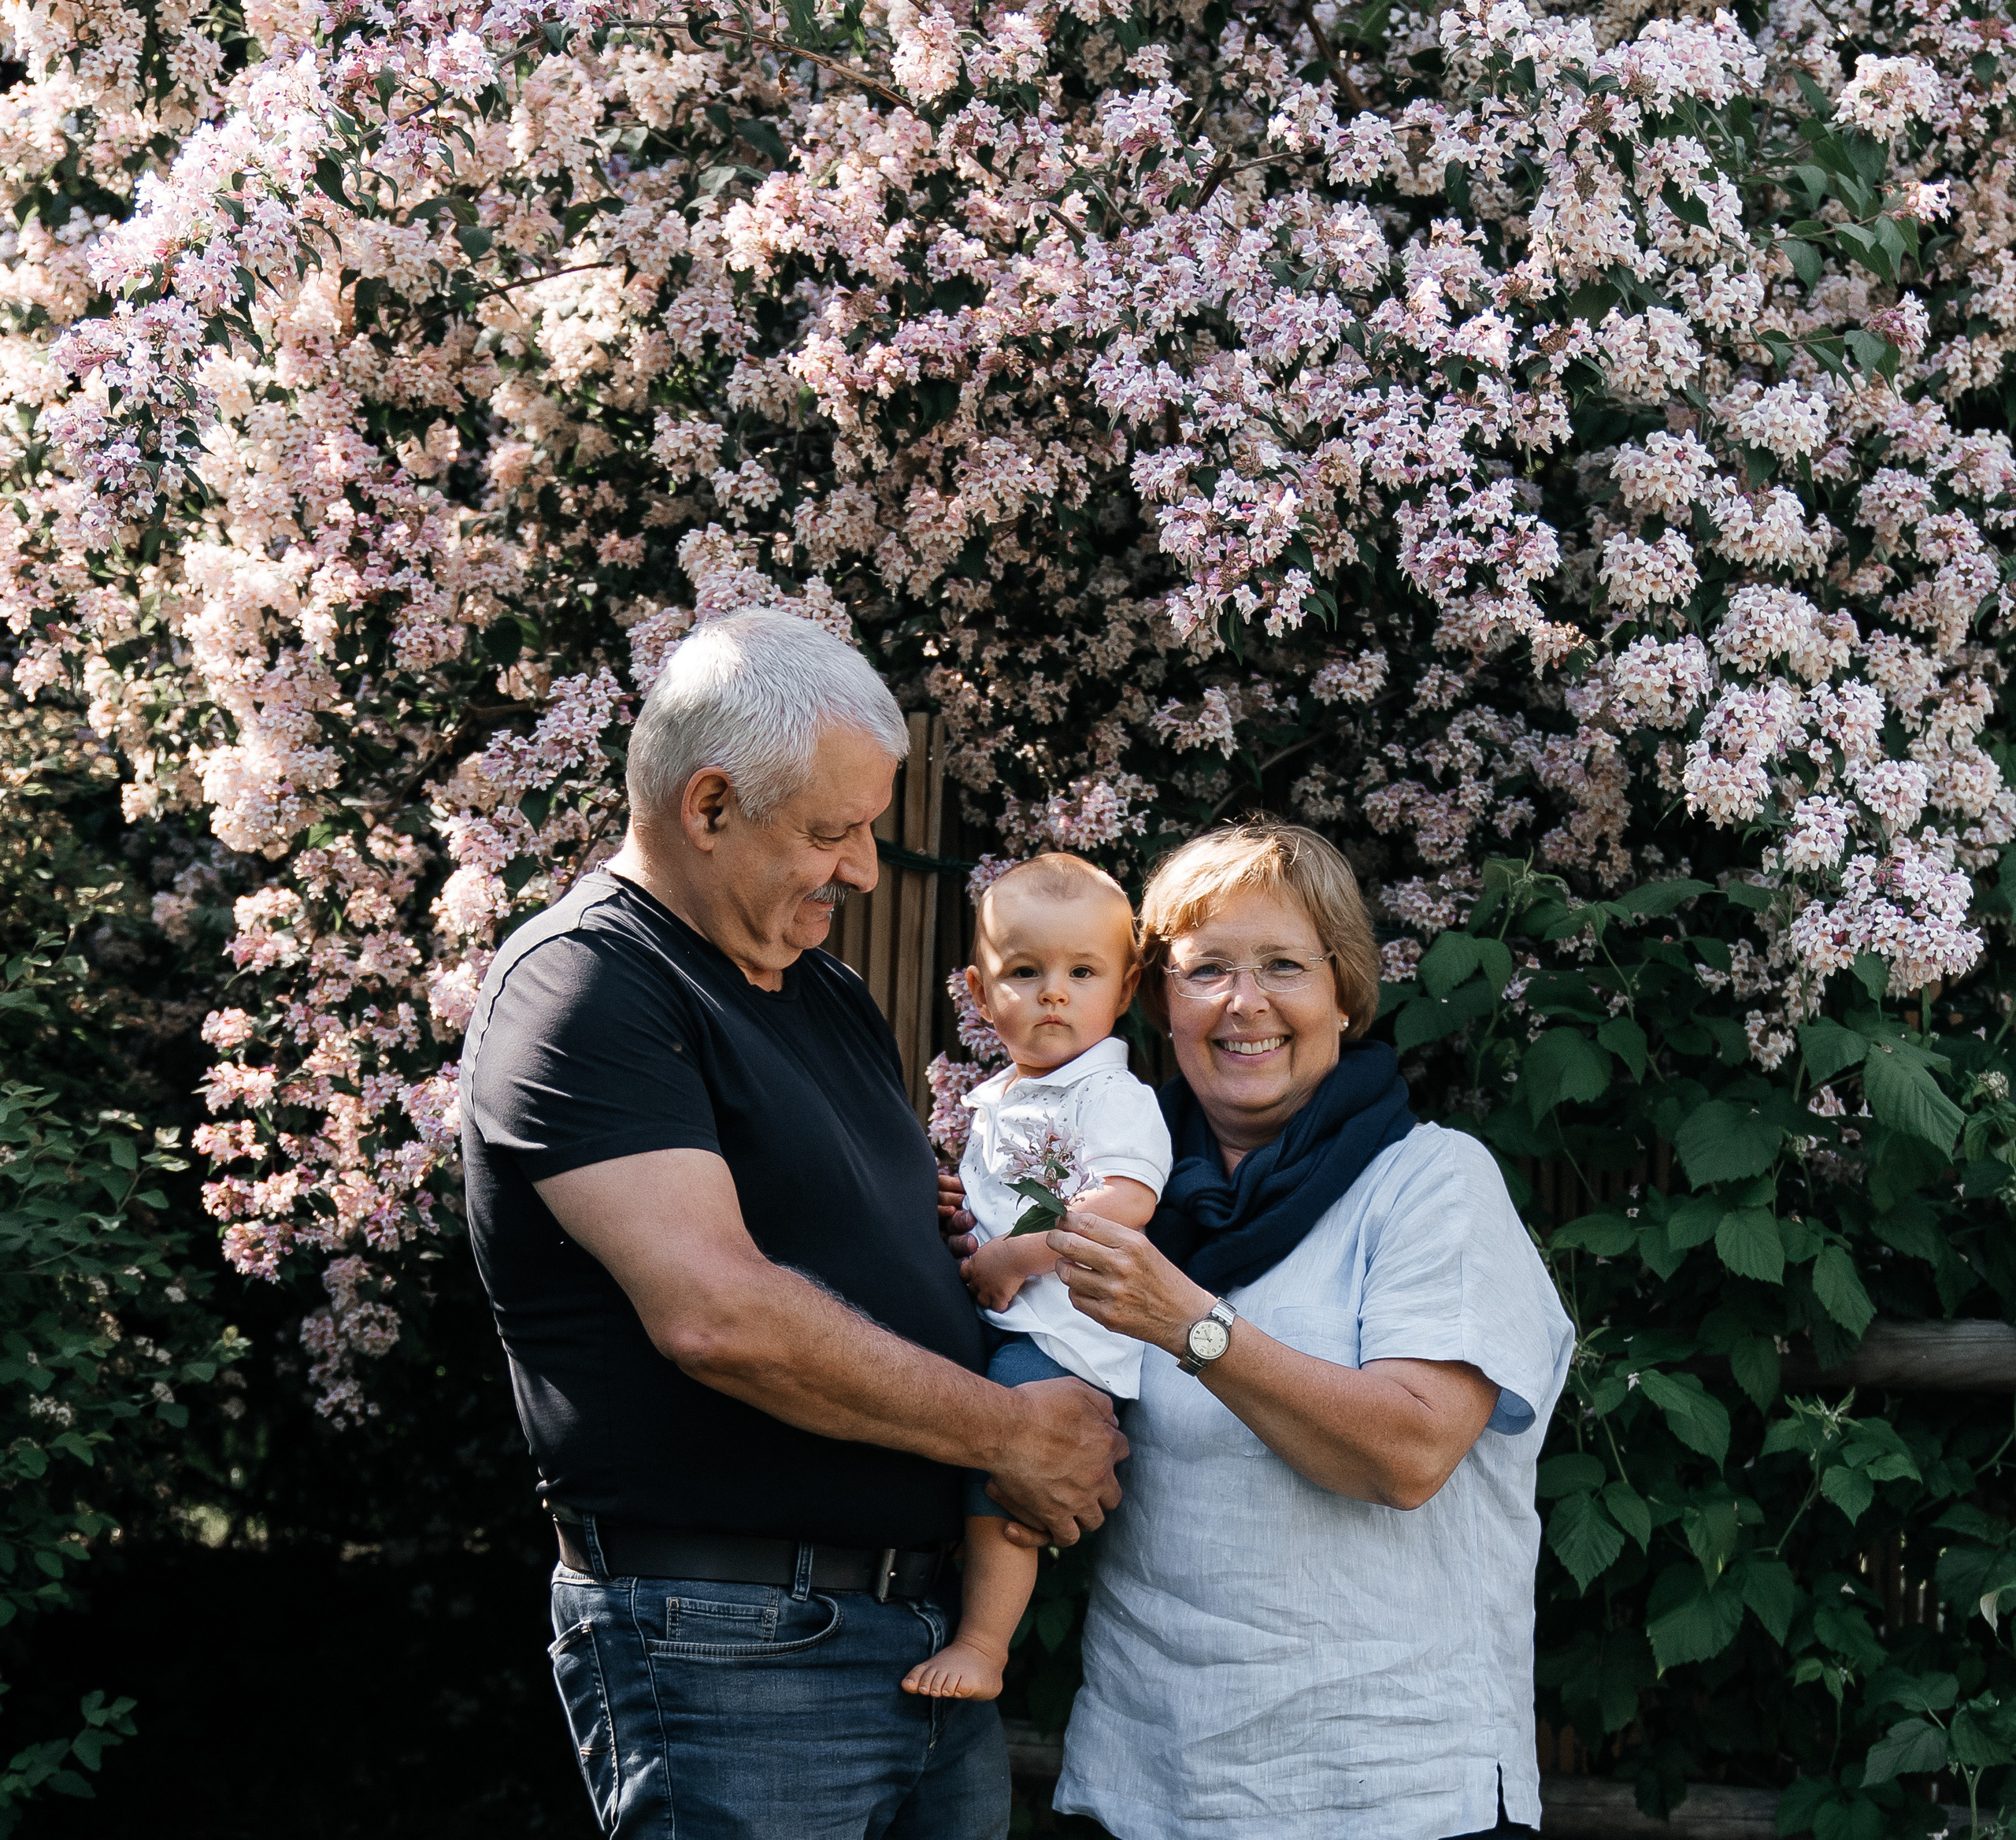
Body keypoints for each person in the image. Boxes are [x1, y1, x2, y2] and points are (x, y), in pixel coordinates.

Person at [459, 608, 1127, 1840]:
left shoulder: (820, 988)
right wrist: (1011, 1434)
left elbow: (859, 1242)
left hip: (923, 1634)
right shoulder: (586, 987)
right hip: (735, 1649)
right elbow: (719, 1315)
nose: (867, 870)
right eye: (834, 831)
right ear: (708, 805)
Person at [947, 818, 1573, 1840]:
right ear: (1158, 1000)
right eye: (1206, 972)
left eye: (1284, 965)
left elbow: (1410, 1453)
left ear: (1345, 991)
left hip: (1385, 1794)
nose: (1246, 1004)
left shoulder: (1430, 1183)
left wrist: (1188, 1323)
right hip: (1147, 1783)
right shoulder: (1117, 1197)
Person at [902, 855, 1172, 1703]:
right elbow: (997, 1201)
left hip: (1062, 1342)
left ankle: (984, 1647)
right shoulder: (1000, 1099)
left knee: (1003, 1490)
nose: (1054, 992)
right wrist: (959, 1209)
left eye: (1081, 971)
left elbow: (1125, 1198)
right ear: (982, 997)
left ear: (1124, 990)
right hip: (1004, 1322)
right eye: (1026, 972)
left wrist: (1018, 1252)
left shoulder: (1111, 1094)